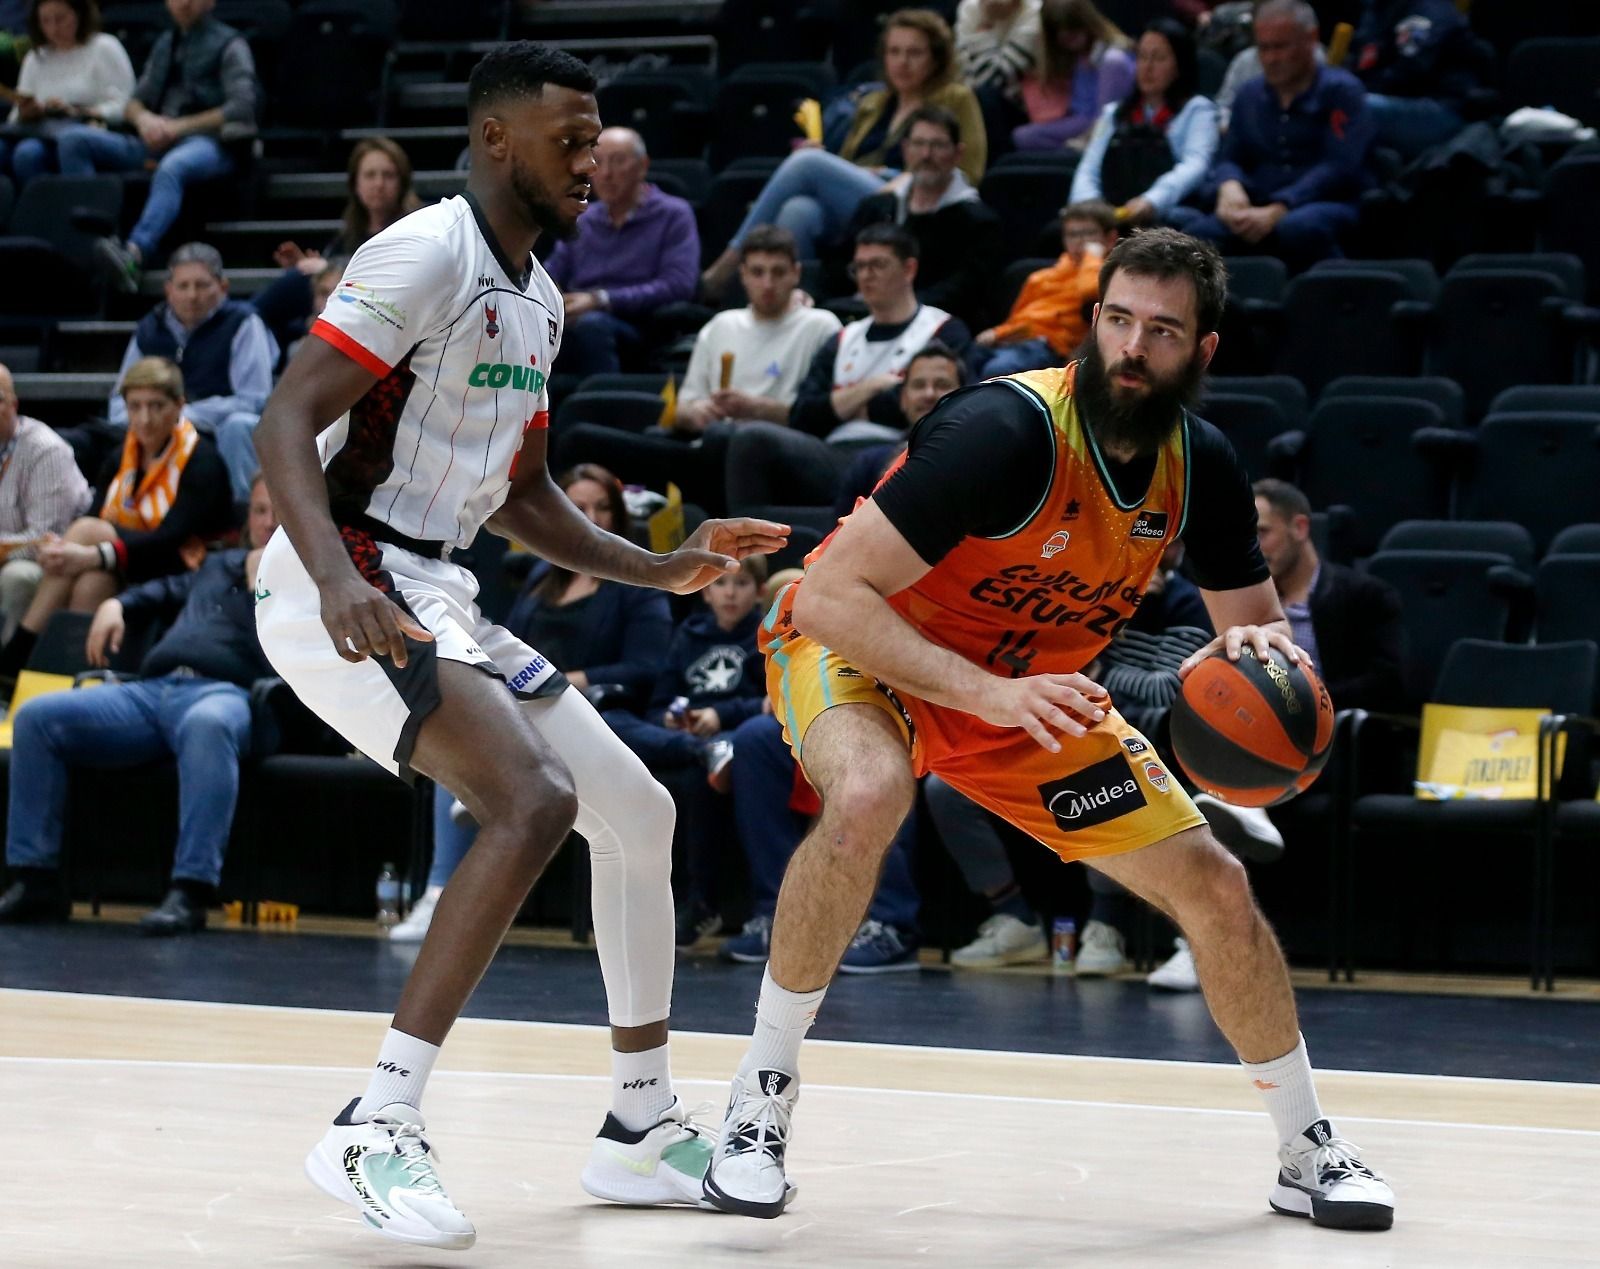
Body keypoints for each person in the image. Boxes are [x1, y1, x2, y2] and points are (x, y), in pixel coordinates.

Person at [700, 227, 1395, 1234]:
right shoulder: (1004, 431)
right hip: (869, 651)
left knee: (1215, 885)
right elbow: (828, 600)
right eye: (1116, 319)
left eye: (1160, 330)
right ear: (1091, 320)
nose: (1130, 346)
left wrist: (1256, 666)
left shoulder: (1202, 463)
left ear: (1200, 351)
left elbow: (1255, 625)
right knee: (867, 793)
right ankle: (758, 1102)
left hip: (1027, 693)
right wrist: (982, 695)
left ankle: (1305, 1148)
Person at [249, 43, 786, 1250]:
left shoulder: (538, 300)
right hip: (342, 574)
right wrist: (335, 576)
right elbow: (285, 416)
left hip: (437, 580)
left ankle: (639, 1123)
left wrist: (665, 562)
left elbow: (525, 494)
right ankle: (375, 1120)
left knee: (636, 814)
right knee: (530, 802)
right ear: (498, 141)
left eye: (595, 142)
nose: (589, 163)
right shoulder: (423, 250)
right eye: (570, 140)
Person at [392, 465, 674, 944]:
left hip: (601, 705)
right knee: (463, 727)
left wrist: (572, 680)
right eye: (580, 507)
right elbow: (508, 642)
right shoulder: (542, 580)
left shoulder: (632, 590)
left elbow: (647, 668)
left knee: (504, 733)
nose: (592, 516)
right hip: (525, 694)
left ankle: (478, 801)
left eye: (603, 508)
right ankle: (438, 891)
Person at [0, 476, 277, 934]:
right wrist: (117, 606)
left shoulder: (309, 583)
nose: (268, 523)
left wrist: (263, 586)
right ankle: (35, 880)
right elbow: (160, 592)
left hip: (226, 693)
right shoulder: (216, 566)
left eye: (279, 511)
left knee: (209, 725)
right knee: (37, 718)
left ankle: (191, 891)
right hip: (153, 689)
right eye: (260, 511)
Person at [554, 226, 841, 517]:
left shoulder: (820, 326)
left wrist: (756, 408)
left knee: (728, 438)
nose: (767, 283)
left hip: (773, 453)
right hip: (702, 451)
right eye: (757, 272)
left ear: (796, 273)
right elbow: (682, 410)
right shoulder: (721, 325)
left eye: (778, 273)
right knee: (579, 436)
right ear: (742, 274)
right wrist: (696, 413)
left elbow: (820, 415)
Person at [700, 8, 987, 294]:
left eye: (914, 53)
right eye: (895, 52)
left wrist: (893, 175)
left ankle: (731, 261)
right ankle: (797, 310)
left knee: (807, 162)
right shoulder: (873, 103)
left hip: (912, 197)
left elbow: (969, 169)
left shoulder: (955, 98)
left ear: (936, 58)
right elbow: (849, 162)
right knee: (799, 210)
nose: (903, 62)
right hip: (862, 201)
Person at [0, 356, 233, 690]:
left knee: (88, 535)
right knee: (90, 579)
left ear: (179, 406)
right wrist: (78, 555)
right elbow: (95, 513)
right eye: (135, 407)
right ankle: (75, 682)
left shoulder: (202, 459)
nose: (145, 419)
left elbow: (170, 539)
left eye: (156, 406)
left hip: (184, 566)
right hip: (128, 562)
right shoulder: (122, 455)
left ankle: (18, 652)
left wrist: (95, 554)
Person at [602, 555, 770, 946]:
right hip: (688, 739)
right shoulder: (688, 636)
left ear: (760, 593)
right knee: (613, 720)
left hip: (734, 738)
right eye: (721, 585)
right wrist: (674, 720)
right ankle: (695, 749)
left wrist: (720, 712)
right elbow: (659, 702)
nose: (730, 593)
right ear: (706, 592)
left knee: (697, 778)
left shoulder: (764, 638)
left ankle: (700, 904)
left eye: (742, 584)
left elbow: (770, 703)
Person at [75, 0, 260, 291]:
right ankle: (90, 242)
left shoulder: (231, 44)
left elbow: (242, 106)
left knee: (172, 167)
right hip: (157, 137)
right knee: (76, 141)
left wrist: (177, 127)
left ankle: (133, 254)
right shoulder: (166, 42)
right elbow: (133, 102)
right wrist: (145, 120)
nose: (183, 3)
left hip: (212, 142)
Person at [1186, 0, 1373, 270]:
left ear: (1310, 40)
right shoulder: (1248, 95)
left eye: (1281, 47)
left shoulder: (1343, 92)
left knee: (1298, 228)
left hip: (1327, 202)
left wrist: (1282, 206)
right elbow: (1229, 156)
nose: (1271, 58)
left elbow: (1340, 167)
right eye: (1264, 48)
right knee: (1195, 237)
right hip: (1258, 203)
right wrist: (1229, 185)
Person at [107, 241, 278, 501]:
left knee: (239, 425)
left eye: (202, 285)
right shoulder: (148, 329)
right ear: (168, 290)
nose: (192, 295)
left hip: (214, 429)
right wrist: (145, 417)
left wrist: (185, 415)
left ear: (223, 287)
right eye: (183, 286)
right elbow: (120, 397)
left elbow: (254, 400)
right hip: (158, 423)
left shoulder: (243, 323)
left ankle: (240, 515)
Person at [725, 338, 966, 519]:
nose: (929, 394)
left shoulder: (981, 452)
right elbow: (835, 534)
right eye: (918, 385)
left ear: (966, 394)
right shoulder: (870, 463)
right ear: (902, 399)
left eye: (942, 384)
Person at [543, 126, 700, 377]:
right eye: (598, 163)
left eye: (617, 162)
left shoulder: (673, 215)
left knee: (592, 326)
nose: (605, 174)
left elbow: (678, 284)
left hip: (641, 324)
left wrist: (601, 300)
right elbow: (550, 272)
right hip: (579, 316)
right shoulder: (584, 219)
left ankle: (604, 407)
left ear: (643, 166)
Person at [253, 137, 423, 356]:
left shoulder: (417, 229)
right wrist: (311, 271)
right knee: (291, 289)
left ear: (403, 182)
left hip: (388, 327)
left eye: (388, 175)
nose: (379, 184)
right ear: (355, 183)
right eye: (370, 175)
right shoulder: (347, 236)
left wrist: (327, 268)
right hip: (341, 327)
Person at [840, 105, 1002, 327]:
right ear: (905, 149)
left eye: (937, 145)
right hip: (865, 318)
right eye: (919, 144)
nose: (926, 155)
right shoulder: (877, 207)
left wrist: (899, 306)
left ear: (958, 154)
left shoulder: (978, 221)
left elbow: (965, 292)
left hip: (937, 329)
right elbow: (838, 265)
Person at [1252, 477, 1402, 712]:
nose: (1254, 546)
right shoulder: (1247, 598)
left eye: (1262, 532)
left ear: (1300, 528)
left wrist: (1308, 698)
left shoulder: (1366, 595)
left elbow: (1387, 683)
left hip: (1335, 727)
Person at [1068, 19, 1219, 225]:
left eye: (1158, 58)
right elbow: (1089, 167)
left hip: (1168, 214)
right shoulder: (1114, 113)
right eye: (1142, 57)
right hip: (1113, 212)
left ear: (1180, 65)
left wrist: (1152, 200)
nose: (1147, 67)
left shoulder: (1197, 110)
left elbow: (1195, 164)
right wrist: (1088, 207)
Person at [0, 362, 93, 639]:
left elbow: (46, 539)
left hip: (55, 565)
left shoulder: (44, 450)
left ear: (14, 405)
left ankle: (10, 673)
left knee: (17, 577)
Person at [973, 199, 1117, 376]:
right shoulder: (1041, 277)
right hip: (1016, 342)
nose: (1079, 241)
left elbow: (1090, 292)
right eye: (1072, 235)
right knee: (964, 360)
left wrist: (1093, 257)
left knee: (996, 369)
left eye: (1088, 234)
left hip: (1052, 348)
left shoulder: (1109, 276)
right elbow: (1019, 320)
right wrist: (996, 333)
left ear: (1110, 238)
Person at [0, 0, 134, 185]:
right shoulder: (36, 58)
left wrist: (77, 111)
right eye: (46, 21)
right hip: (43, 131)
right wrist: (27, 113)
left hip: (91, 130)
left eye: (60, 19)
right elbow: (14, 117)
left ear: (79, 14)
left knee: (30, 154)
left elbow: (126, 106)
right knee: (16, 151)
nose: (53, 29)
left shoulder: (105, 47)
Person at [1349, 0, 1481, 159]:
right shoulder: (1377, 9)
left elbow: (1409, 71)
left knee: (1349, 106)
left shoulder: (1431, 8)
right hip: (1391, 101)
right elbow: (1361, 61)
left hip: (1439, 111)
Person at [1013, 0, 1134, 152]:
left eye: (1072, 27)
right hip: (1077, 123)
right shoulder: (1078, 56)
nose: (1065, 35)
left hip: (1097, 131)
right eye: (1058, 30)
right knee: (1023, 136)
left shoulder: (1112, 60)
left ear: (1086, 22)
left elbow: (1106, 119)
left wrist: (1083, 141)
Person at [956, 0, 1043, 154]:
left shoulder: (1035, 12)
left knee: (986, 96)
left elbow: (994, 80)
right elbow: (963, 68)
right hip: (971, 95)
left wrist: (984, 26)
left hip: (1019, 107)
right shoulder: (969, 8)